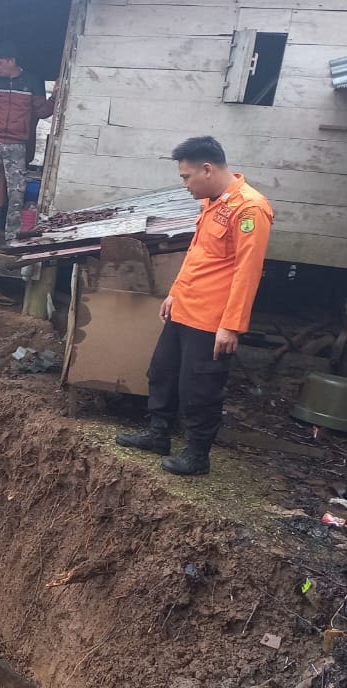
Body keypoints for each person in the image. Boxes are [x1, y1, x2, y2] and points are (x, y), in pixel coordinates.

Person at [115, 136, 274, 476]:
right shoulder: (212, 202)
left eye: (186, 177)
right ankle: (158, 433)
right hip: (185, 307)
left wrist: (231, 324)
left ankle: (197, 453)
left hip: (212, 319)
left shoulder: (250, 209)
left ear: (207, 168)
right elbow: (198, 255)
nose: (184, 185)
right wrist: (174, 293)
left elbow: (248, 272)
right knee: (162, 372)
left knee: (199, 387)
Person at [0, 42, 53, 247]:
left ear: (11, 61)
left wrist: (55, 96)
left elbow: (43, 111)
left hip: (17, 143)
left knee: (16, 192)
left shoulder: (32, 82)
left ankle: (12, 237)